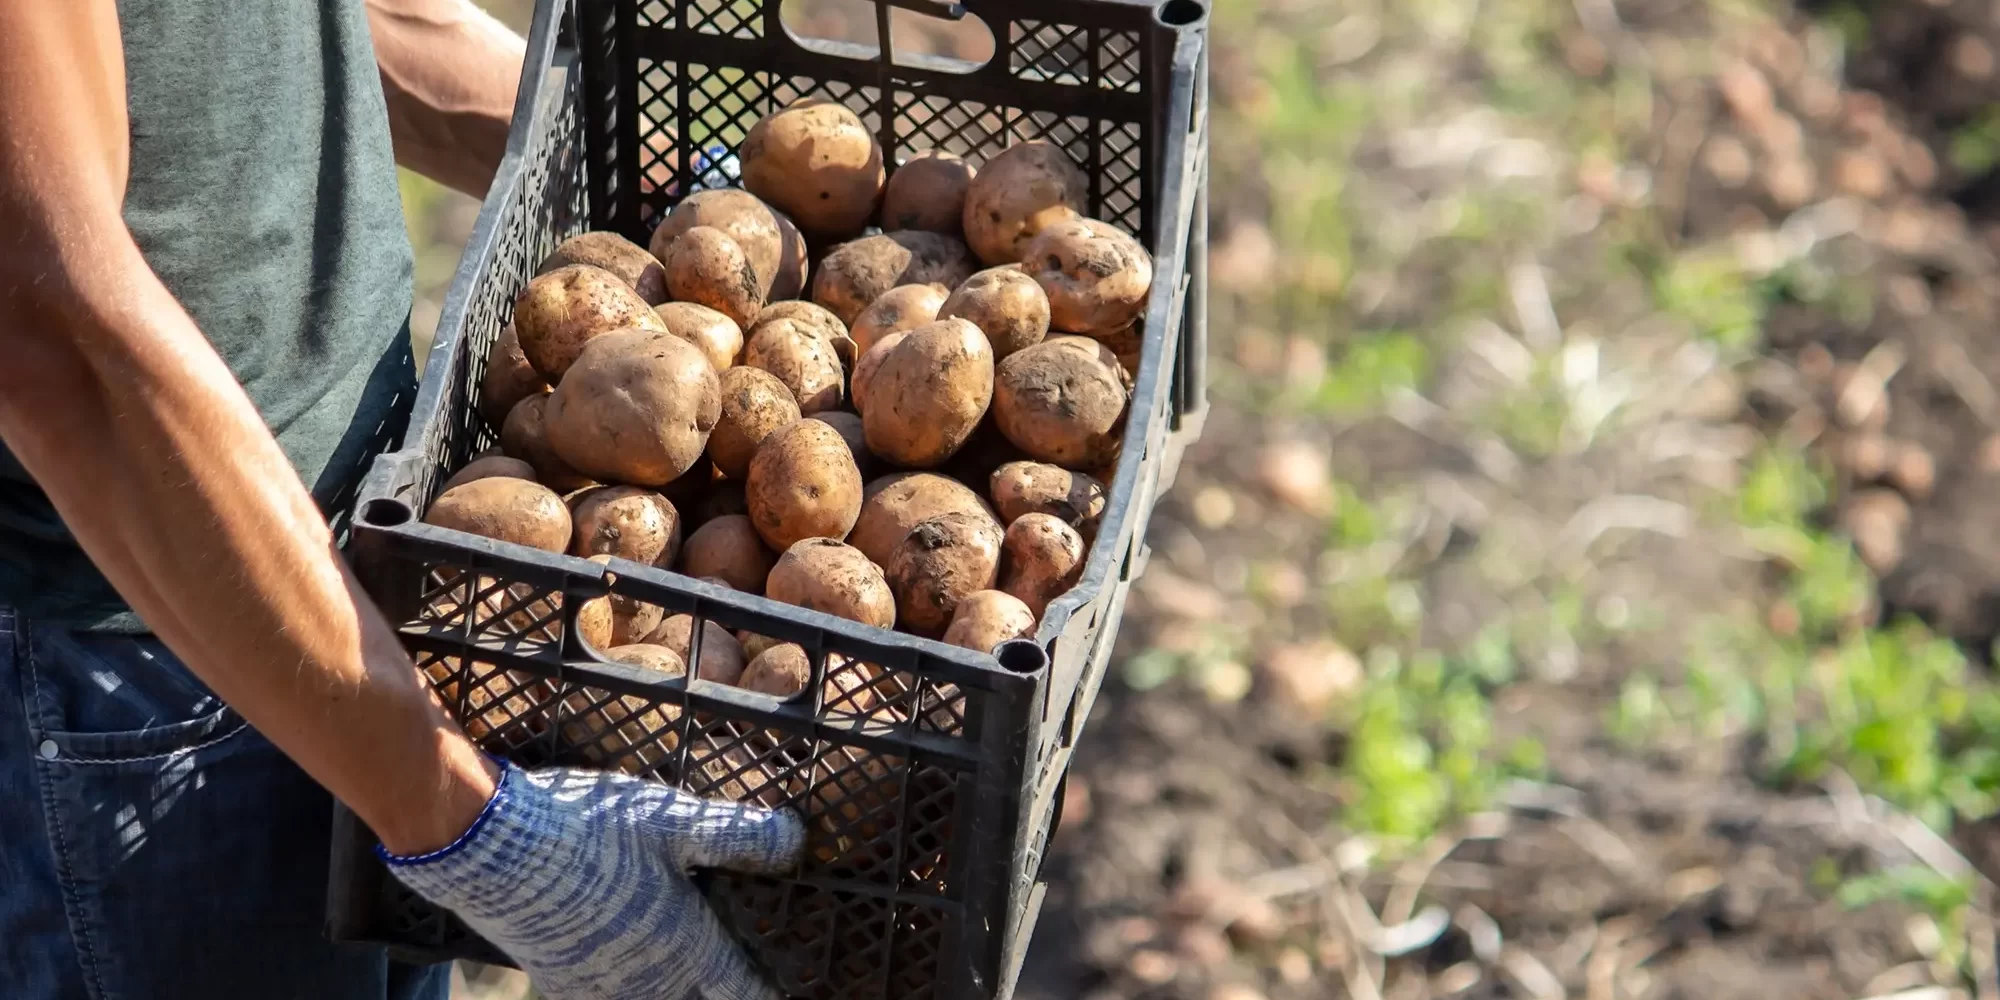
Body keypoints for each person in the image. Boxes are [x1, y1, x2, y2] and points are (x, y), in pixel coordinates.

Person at [0, 2, 802, 999]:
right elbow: (42, 327)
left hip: (362, 592)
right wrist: (460, 820)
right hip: (148, 662)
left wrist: (714, 209)